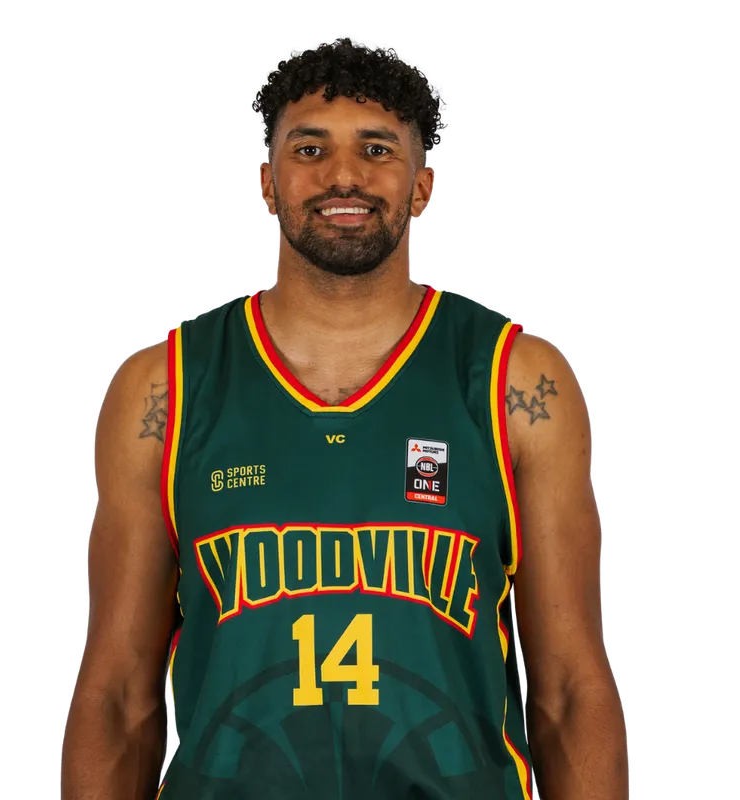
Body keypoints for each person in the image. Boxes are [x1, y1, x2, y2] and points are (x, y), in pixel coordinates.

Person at [61, 37, 628, 800]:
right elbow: (117, 694)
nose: (344, 175)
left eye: (376, 149)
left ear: (422, 187)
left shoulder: (514, 379)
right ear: (266, 183)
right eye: (310, 149)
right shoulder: (164, 388)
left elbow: (569, 689)